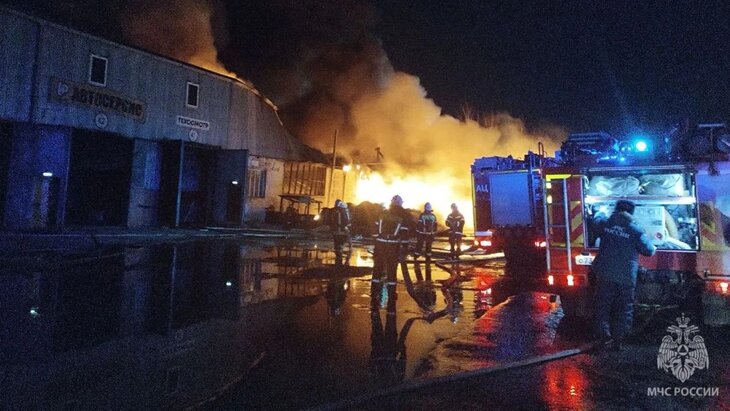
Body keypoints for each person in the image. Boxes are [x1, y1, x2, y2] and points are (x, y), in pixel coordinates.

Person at [591, 199, 656, 350]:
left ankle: (604, 336)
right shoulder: (635, 230)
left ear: (616, 209)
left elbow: (595, 222)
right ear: (632, 212)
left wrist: (600, 211)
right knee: (624, 308)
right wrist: (653, 246)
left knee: (603, 306)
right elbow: (649, 251)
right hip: (626, 277)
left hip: (605, 274)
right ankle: (618, 340)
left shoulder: (606, 224)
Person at [373, 195, 415, 284]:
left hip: (380, 244)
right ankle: (391, 290)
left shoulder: (383, 214)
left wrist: (376, 243)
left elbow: (375, 230)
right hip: (393, 246)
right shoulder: (403, 215)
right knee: (391, 269)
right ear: (400, 203)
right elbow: (404, 233)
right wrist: (405, 248)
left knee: (377, 267)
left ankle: (374, 289)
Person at [330, 199, 352, 265]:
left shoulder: (334, 211)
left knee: (337, 246)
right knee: (344, 244)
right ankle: (345, 261)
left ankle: (338, 261)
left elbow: (331, 221)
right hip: (342, 231)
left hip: (335, 232)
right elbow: (347, 221)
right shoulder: (344, 211)